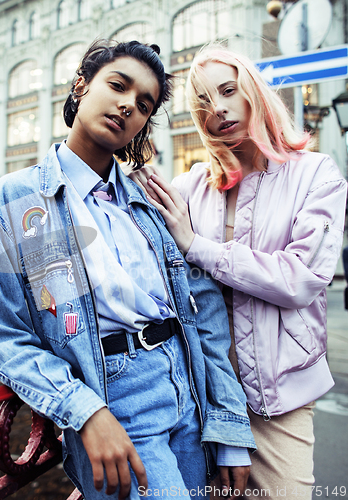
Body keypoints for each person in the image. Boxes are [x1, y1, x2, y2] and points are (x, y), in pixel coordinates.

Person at [0, 39, 255, 500]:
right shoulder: (16, 202)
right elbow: (0, 335)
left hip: (187, 389)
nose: (128, 106)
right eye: (118, 85)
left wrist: (228, 424)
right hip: (114, 399)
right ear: (81, 86)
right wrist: (83, 410)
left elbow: (202, 312)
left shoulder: (149, 200)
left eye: (143, 105)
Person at [129, 43, 347, 499]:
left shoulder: (316, 174)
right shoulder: (192, 187)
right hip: (203, 400)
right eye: (203, 103)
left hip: (278, 403)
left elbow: (300, 279)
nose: (218, 110)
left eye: (228, 91)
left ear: (254, 92)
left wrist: (198, 246)